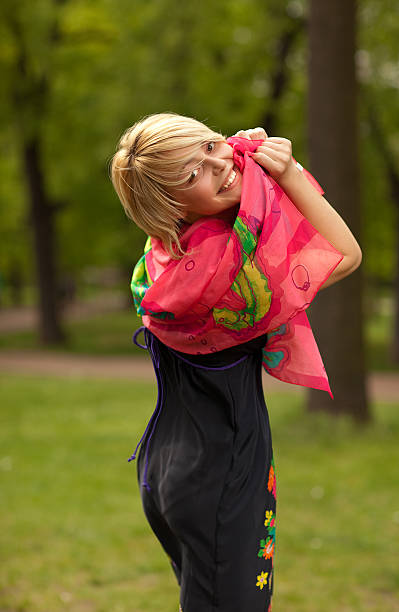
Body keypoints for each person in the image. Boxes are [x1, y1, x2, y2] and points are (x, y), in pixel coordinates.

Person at [109, 113, 362, 612]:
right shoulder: (231, 282)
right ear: (169, 206)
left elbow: (246, 214)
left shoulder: (168, 255)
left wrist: (244, 169)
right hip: (221, 478)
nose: (220, 162)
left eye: (209, 145)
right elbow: (343, 253)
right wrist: (287, 173)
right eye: (191, 174)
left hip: (170, 468)